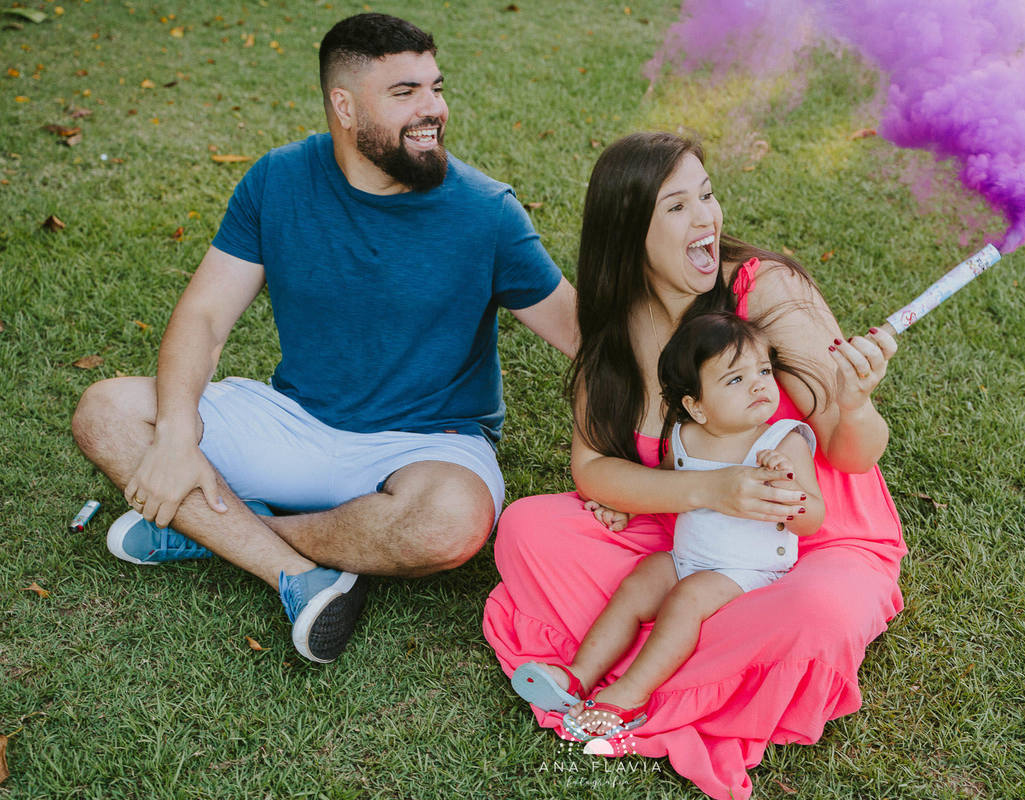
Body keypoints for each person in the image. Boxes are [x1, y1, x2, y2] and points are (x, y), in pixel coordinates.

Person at [71, 13, 576, 664]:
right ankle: (297, 569)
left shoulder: (486, 212)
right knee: (106, 411)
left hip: (428, 443)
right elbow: (203, 316)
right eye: (405, 94)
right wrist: (173, 437)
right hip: (296, 422)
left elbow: (583, 334)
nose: (434, 111)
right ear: (344, 105)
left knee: (450, 525)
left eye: (436, 87)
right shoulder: (278, 180)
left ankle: (209, 535)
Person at [483, 132, 904, 799]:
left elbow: (852, 453)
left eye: (706, 194)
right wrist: (711, 489)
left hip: (812, 540)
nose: (707, 217)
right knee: (529, 529)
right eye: (678, 207)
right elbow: (592, 466)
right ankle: (691, 656)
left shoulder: (764, 290)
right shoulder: (617, 320)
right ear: (631, 232)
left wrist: (852, 405)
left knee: (820, 614)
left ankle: (637, 689)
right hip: (690, 533)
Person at [511, 311, 827, 740]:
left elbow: (813, 517)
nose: (758, 384)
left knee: (687, 598)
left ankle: (629, 695)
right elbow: (669, 483)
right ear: (696, 406)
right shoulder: (684, 436)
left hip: (749, 570)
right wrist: (628, 508)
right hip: (689, 557)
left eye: (763, 370)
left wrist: (785, 486)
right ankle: (577, 675)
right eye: (735, 379)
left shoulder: (782, 440)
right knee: (640, 583)